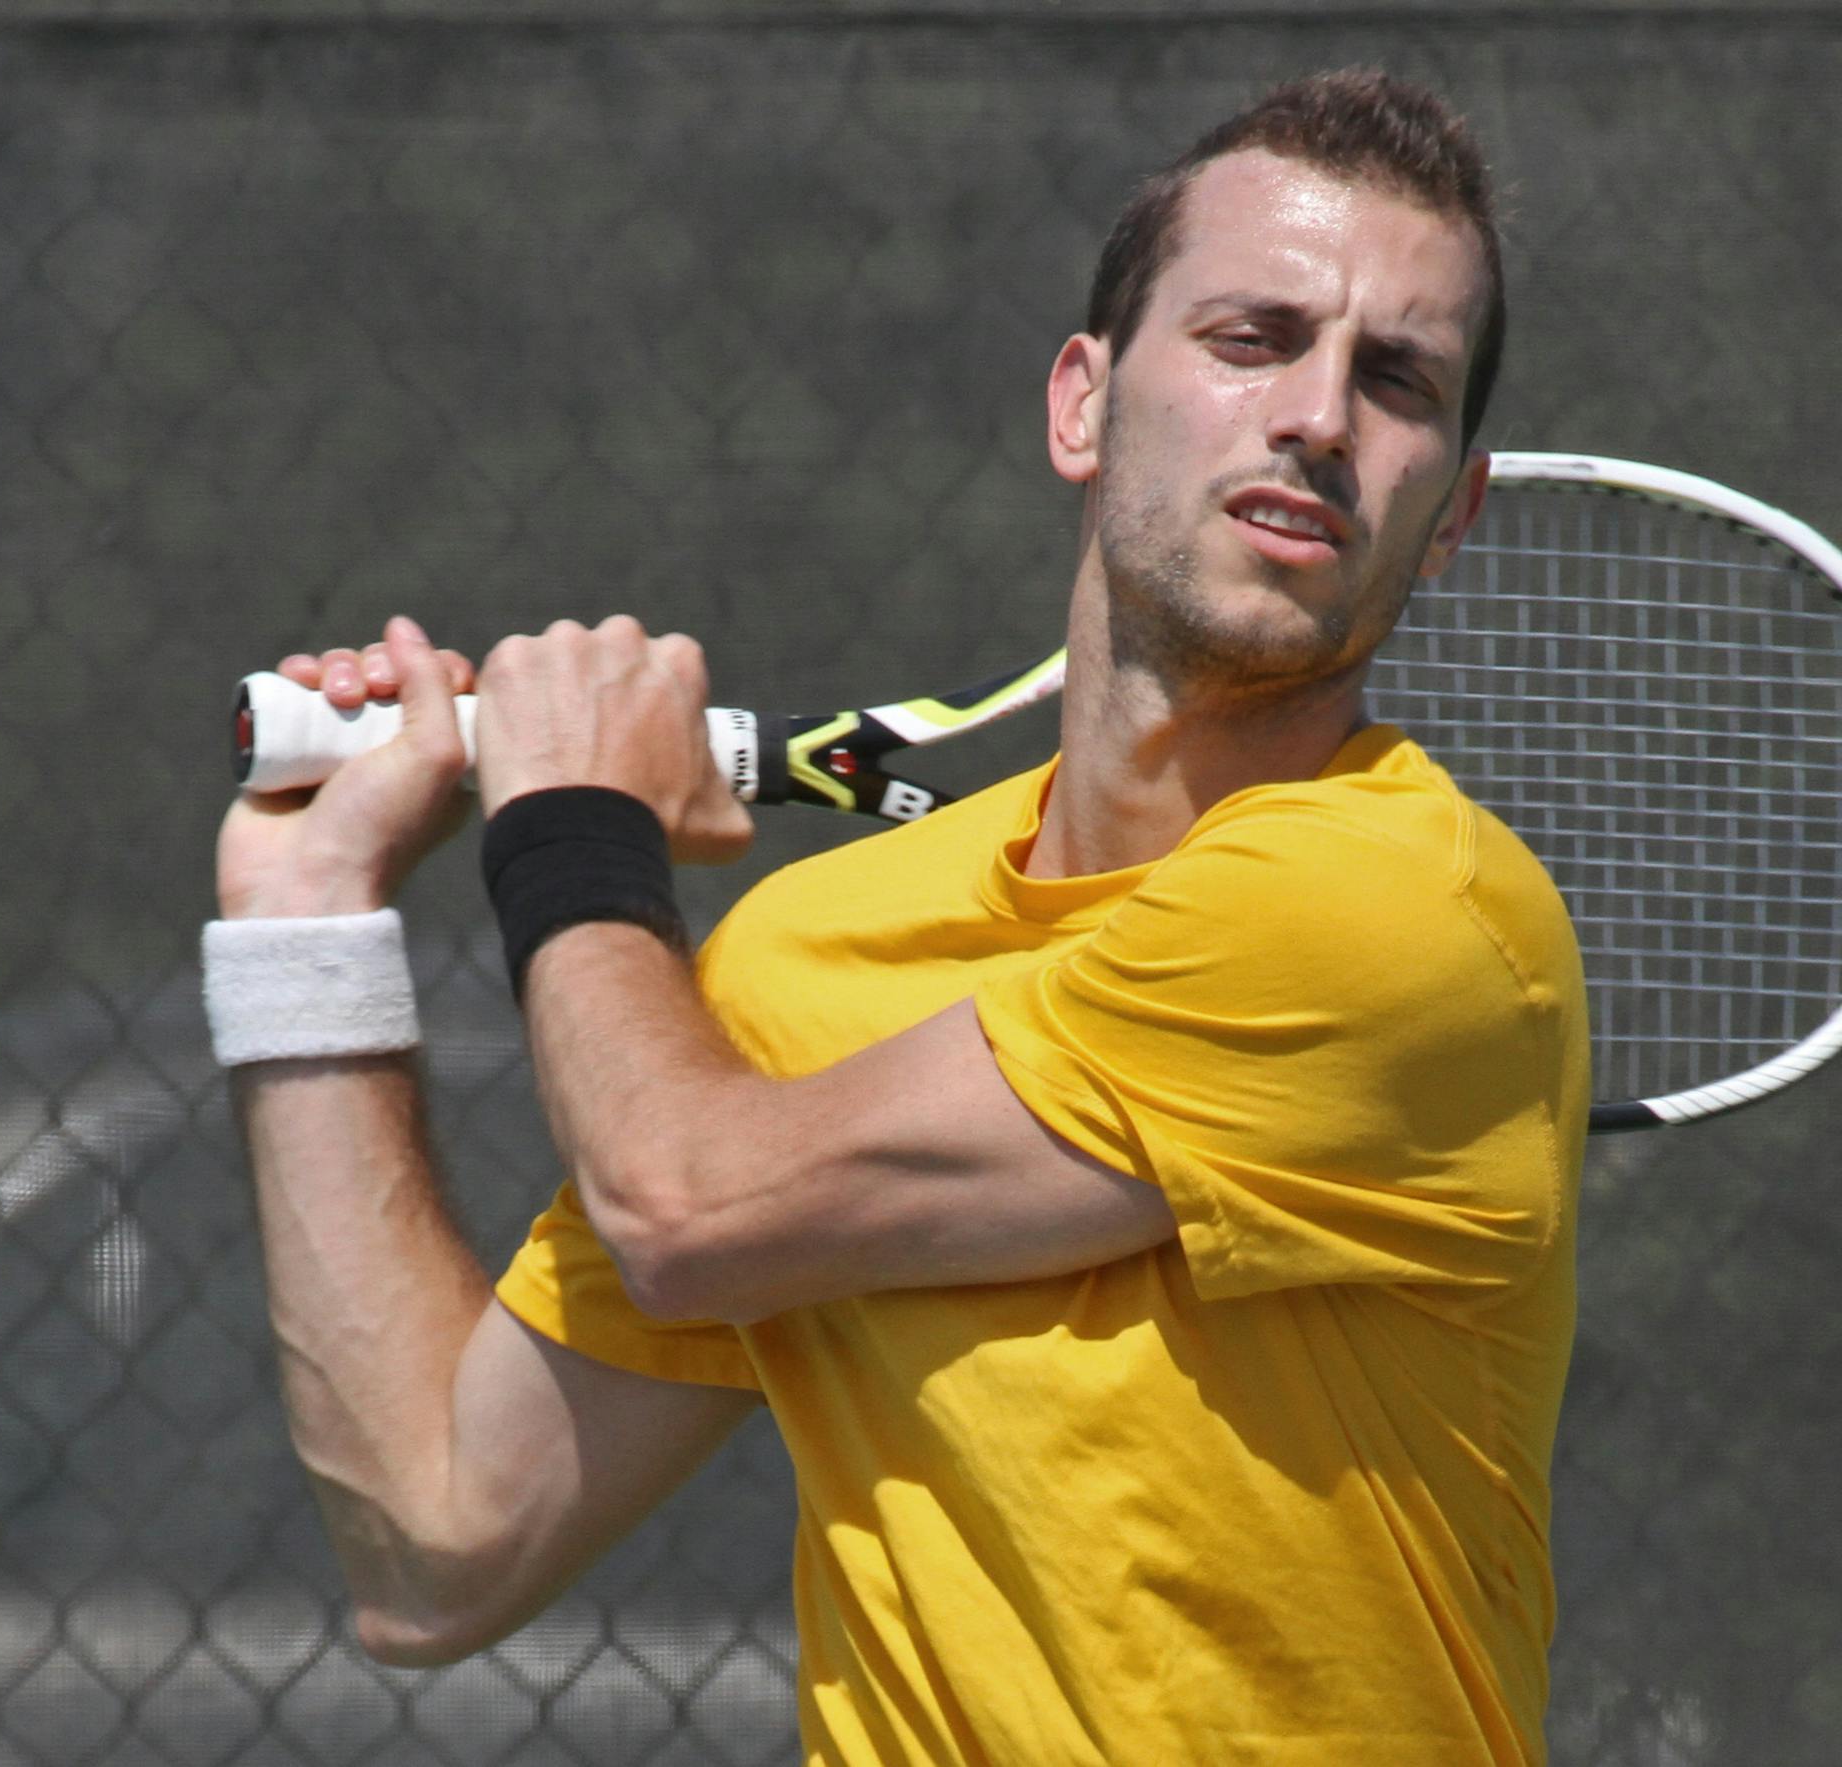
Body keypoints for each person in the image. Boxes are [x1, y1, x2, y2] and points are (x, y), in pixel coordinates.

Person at [203, 69, 1587, 1766]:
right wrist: (304, 927)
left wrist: (573, 831)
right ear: (1081, 407)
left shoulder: (1396, 917)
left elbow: (684, 1207)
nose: (1316, 413)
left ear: (1451, 512)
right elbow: (434, 1546)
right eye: (1252, 337)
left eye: (1396, 381)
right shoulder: (806, 968)